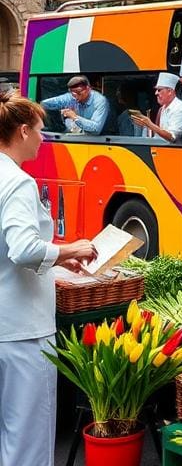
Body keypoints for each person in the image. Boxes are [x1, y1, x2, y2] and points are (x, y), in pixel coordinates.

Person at [0, 91, 97, 466]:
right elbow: (22, 249)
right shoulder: (19, 183)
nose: (44, 138)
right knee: (27, 442)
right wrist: (71, 250)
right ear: (23, 131)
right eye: (41, 130)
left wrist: (56, 260)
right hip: (23, 331)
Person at [130, 72, 182, 142]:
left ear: (170, 91)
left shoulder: (180, 108)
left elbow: (172, 137)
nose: (156, 93)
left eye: (159, 90)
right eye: (156, 90)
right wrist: (146, 125)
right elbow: (158, 135)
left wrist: (150, 124)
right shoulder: (162, 108)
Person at [40, 75, 110, 135]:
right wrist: (61, 111)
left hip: (104, 141)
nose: (76, 96)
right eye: (73, 93)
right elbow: (44, 104)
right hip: (76, 138)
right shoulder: (71, 97)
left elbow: (96, 129)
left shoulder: (100, 101)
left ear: (88, 89)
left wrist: (74, 117)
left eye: (79, 93)